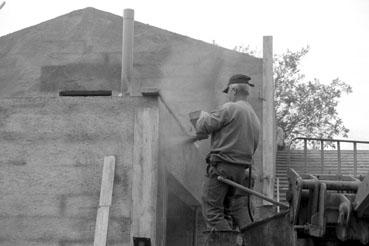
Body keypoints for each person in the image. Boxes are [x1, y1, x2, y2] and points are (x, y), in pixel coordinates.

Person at [192, 74, 261, 231]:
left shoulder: (231, 108)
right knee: (226, 212)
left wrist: (203, 116)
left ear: (234, 90)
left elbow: (203, 126)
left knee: (213, 212)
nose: (228, 96)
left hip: (222, 169)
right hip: (241, 173)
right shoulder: (254, 118)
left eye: (228, 91)